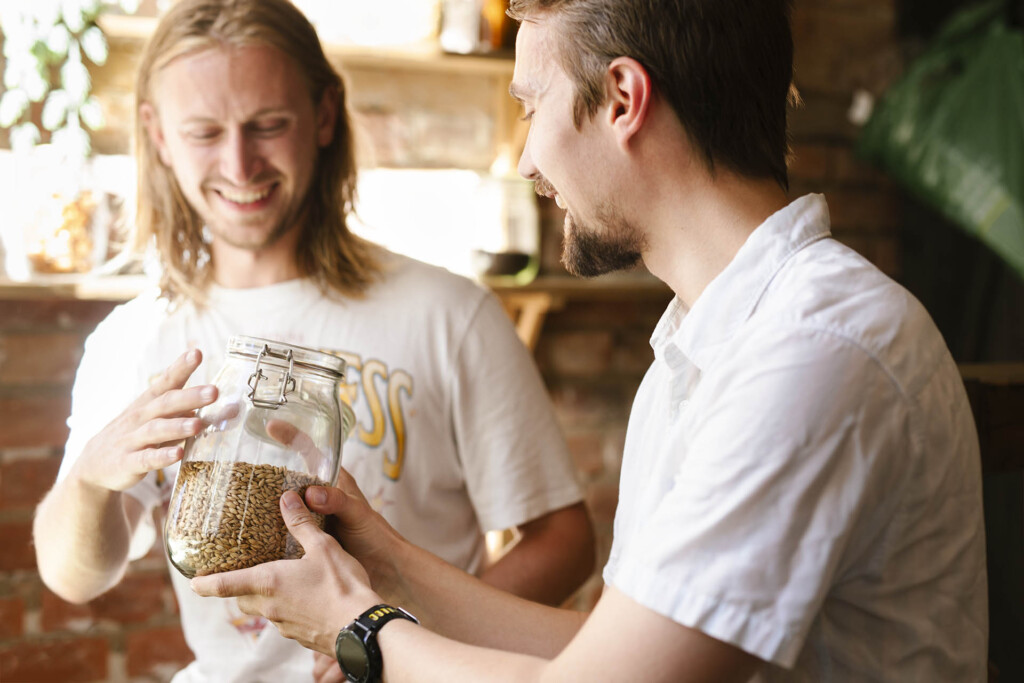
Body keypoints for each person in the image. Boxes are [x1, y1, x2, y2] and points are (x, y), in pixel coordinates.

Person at [190, 0, 991, 681]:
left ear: (621, 99)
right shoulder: (701, 347)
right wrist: (387, 562)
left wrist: (359, 628)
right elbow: (610, 654)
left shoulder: (815, 349)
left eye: (531, 105)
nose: (530, 157)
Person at [31, 1, 597, 681]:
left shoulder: (448, 314)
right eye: (205, 132)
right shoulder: (136, 339)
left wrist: (390, 636)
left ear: (324, 116)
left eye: (268, 125)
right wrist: (93, 477)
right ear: (156, 135)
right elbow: (75, 577)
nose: (240, 165)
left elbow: (563, 539)